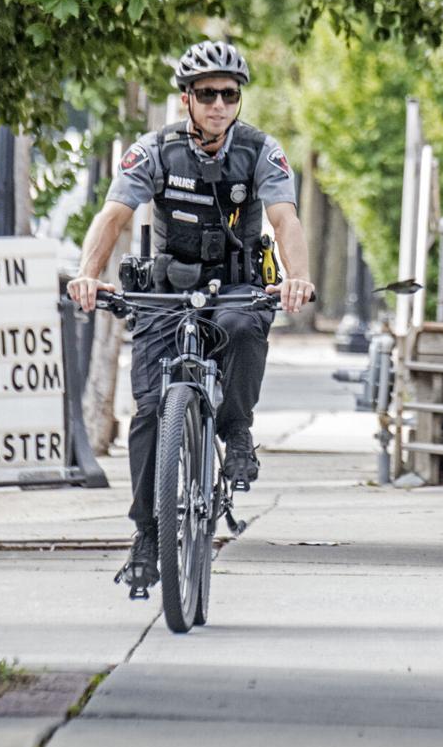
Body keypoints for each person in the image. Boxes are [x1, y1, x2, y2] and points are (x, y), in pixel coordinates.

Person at [67, 39, 315, 589]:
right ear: (187, 99)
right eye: (208, 94)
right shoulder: (153, 151)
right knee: (152, 412)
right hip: (166, 289)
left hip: (235, 286)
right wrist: (89, 273)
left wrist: (297, 278)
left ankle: (238, 431)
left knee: (244, 325)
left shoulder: (259, 151)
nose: (220, 104)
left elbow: (285, 216)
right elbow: (113, 216)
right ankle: (148, 536)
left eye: (230, 94)